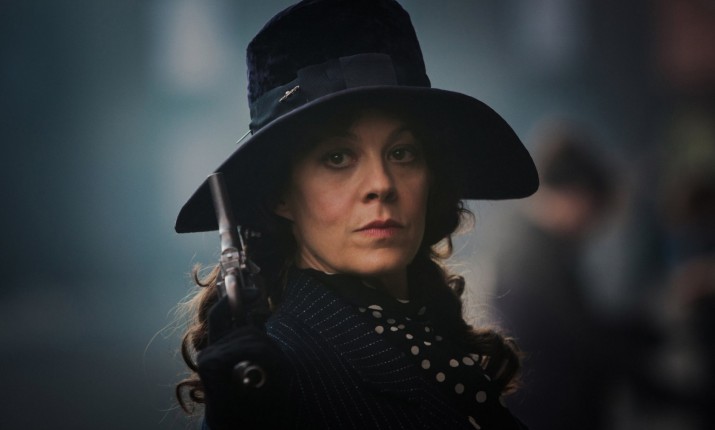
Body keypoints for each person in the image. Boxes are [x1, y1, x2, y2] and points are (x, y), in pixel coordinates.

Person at [173, 1, 538, 429]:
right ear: (280, 195)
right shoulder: (282, 377)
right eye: (338, 157)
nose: (381, 184)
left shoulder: (428, 337)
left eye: (402, 153)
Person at [490, 123, 618, 429]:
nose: (591, 225)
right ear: (573, 195)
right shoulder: (530, 257)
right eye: (591, 209)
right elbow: (577, 339)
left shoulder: (536, 246)